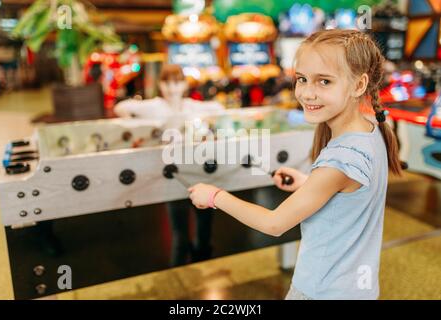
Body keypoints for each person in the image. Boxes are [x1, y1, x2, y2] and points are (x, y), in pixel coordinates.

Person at [187, 29, 402, 300]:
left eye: (324, 81)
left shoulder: (339, 158)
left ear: (359, 85)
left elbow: (274, 224)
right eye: (302, 79)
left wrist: (214, 196)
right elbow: (353, 192)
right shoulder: (372, 130)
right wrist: (308, 183)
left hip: (321, 291)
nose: (308, 93)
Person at [115, 64, 224, 266]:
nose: (172, 88)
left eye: (177, 82)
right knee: (180, 232)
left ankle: (202, 266)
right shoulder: (154, 106)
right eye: (167, 82)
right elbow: (121, 108)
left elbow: (219, 109)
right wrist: (143, 129)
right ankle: (179, 275)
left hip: (197, 168)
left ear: (184, 84)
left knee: (204, 226)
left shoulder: (191, 105)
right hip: (171, 173)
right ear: (161, 84)